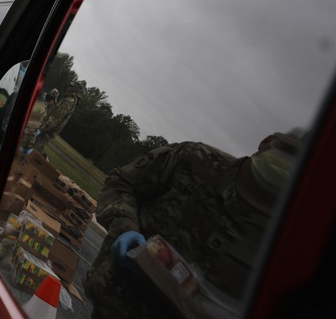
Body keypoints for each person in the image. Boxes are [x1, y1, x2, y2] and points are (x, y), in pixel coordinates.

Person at [84, 133, 299, 318]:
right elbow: (122, 182)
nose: (286, 162)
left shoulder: (288, 238)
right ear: (266, 141)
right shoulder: (195, 161)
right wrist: (125, 226)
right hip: (114, 302)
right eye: (286, 150)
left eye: (299, 159)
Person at [34, 87, 79, 153]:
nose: (69, 88)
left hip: (46, 131)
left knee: (34, 149)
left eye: (72, 87)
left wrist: (41, 128)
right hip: (46, 130)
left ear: (75, 90)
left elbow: (55, 118)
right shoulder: (69, 101)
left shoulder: (69, 102)